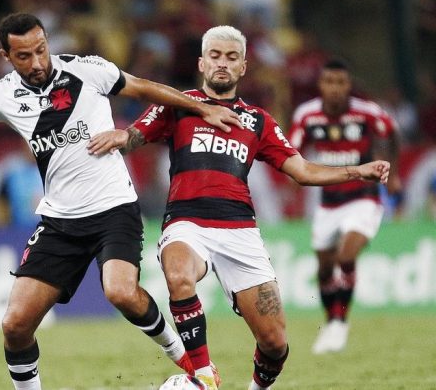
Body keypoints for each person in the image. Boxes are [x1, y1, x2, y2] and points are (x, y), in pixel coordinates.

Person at [0, 12, 243, 389]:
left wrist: (202, 107)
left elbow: (143, 86)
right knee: (15, 325)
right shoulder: (0, 95)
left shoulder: (87, 70)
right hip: (60, 221)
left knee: (120, 291)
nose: (36, 61)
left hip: (114, 209)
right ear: (6, 56)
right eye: (23, 55)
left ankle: (185, 357)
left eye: (40, 49)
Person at [87, 25, 390, 390]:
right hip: (186, 222)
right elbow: (136, 134)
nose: (222, 64)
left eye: (231, 58)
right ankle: (202, 375)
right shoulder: (179, 105)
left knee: (275, 344)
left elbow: (303, 171)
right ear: (201, 62)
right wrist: (124, 136)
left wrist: (357, 170)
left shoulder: (258, 121)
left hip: (239, 231)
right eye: (215, 56)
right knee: (179, 273)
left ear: (243, 67)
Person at [288, 59, 400, 354]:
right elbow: (291, 152)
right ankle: (331, 321)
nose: (335, 89)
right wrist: (292, 185)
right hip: (327, 203)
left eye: (341, 82)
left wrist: (394, 174)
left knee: (346, 253)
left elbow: (392, 132)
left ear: (349, 86)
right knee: (324, 269)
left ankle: (340, 322)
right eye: (329, 82)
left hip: (363, 198)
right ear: (321, 85)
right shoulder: (307, 115)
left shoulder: (366, 112)